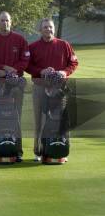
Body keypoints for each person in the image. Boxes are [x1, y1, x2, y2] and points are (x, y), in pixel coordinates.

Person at [27, 18, 78, 161]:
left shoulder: (64, 45)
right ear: (40, 30)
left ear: (54, 29)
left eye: (50, 27)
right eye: (45, 27)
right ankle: (38, 151)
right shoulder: (33, 47)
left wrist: (64, 72)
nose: (48, 29)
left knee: (62, 120)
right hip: (40, 87)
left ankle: (63, 149)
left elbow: (73, 62)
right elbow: (27, 66)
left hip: (60, 89)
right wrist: (41, 71)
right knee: (40, 120)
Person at [0, 11, 30, 162]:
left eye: (7, 20)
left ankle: (17, 150)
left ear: (11, 22)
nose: (5, 23)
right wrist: (5, 69)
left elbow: (25, 60)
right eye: (2, 21)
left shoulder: (20, 39)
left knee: (16, 117)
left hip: (16, 85)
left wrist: (13, 70)